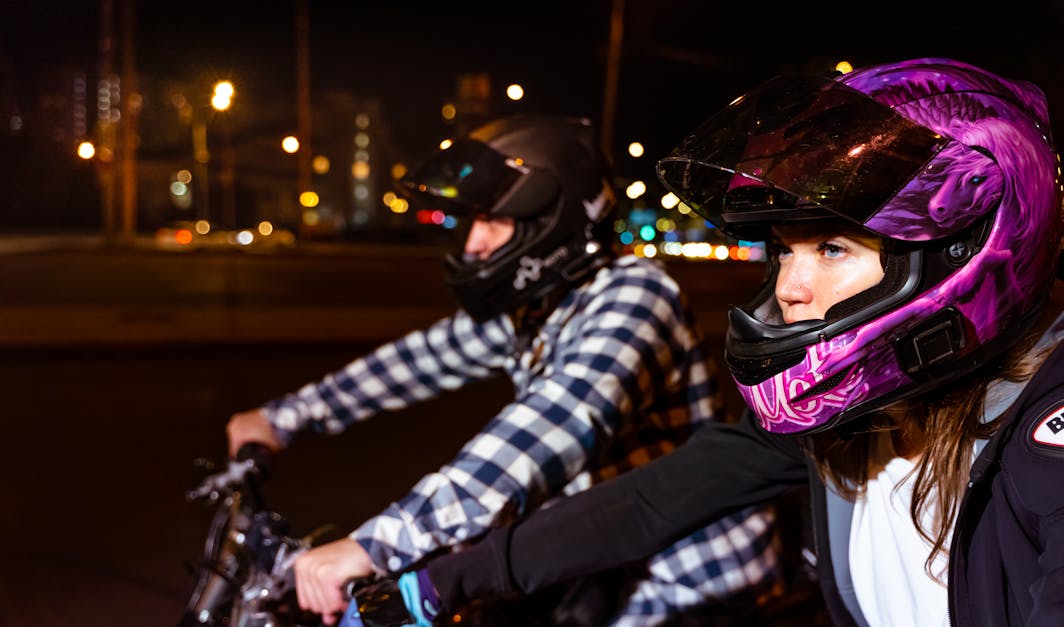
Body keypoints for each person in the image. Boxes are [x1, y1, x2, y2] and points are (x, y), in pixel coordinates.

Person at [366, 59, 1064, 626]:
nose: (791, 289)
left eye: (831, 249)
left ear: (957, 251)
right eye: (785, 251)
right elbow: (662, 498)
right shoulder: (869, 404)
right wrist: (436, 582)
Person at [225, 115, 784, 626]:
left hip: (686, 582)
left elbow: (547, 428)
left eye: (491, 220)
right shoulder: (542, 306)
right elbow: (418, 360)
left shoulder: (636, 296)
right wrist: (281, 419)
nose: (473, 243)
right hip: (596, 564)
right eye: (470, 221)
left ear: (552, 218)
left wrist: (376, 544)